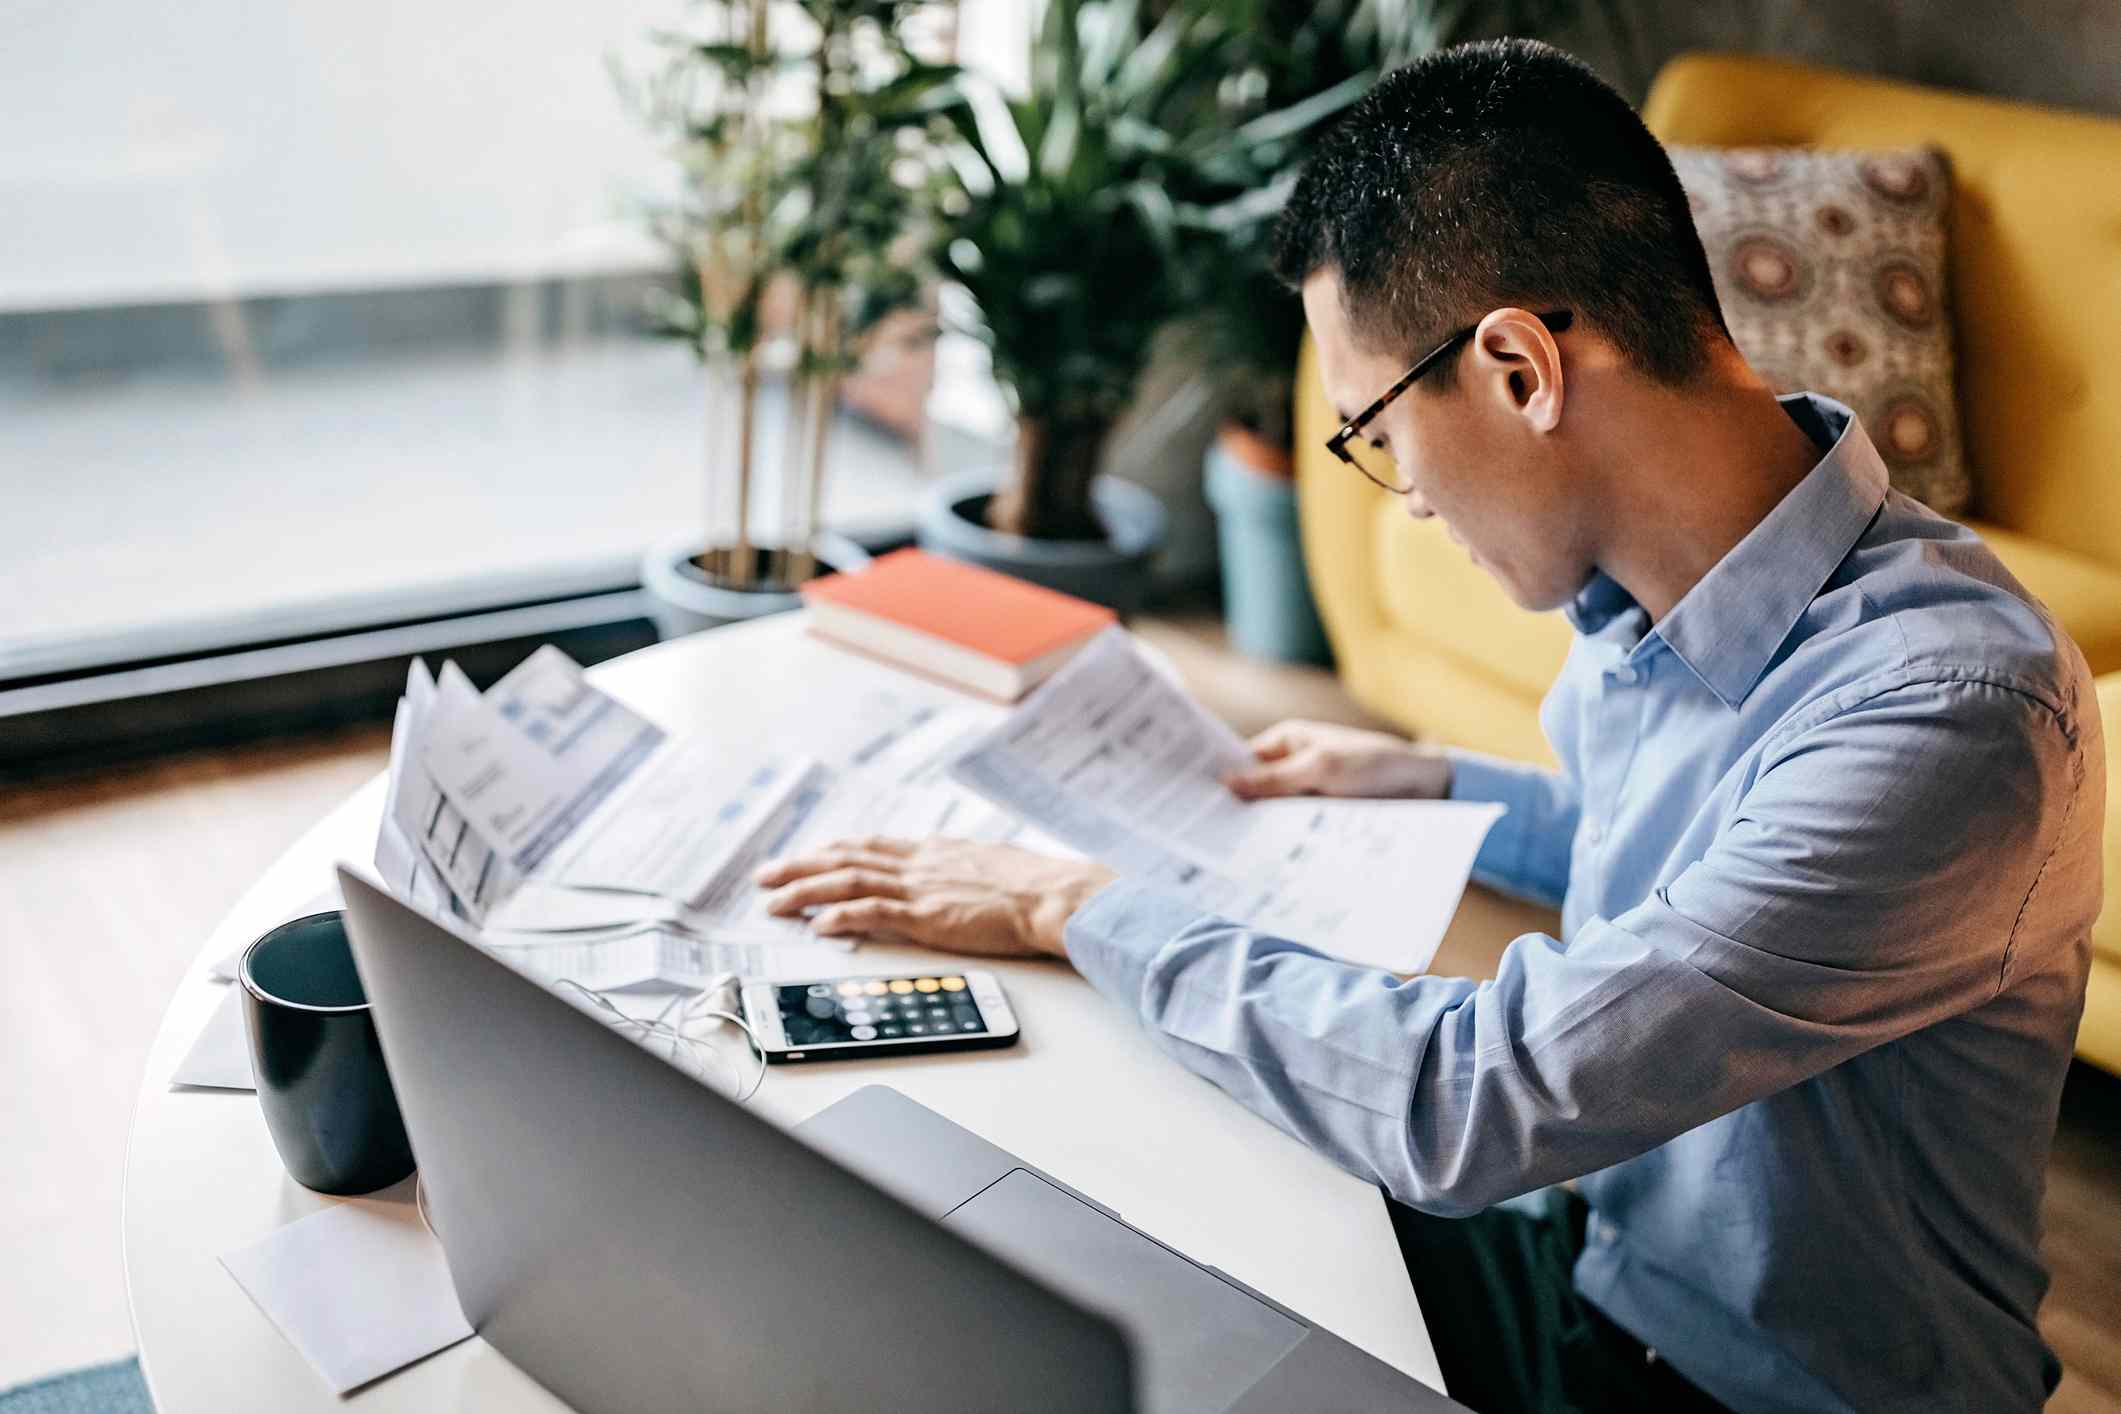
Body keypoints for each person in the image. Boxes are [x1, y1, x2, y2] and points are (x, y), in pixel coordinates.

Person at [753, 38, 2102, 1414]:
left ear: (1519, 367)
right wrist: (1422, 779)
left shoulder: (1946, 715)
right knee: (1144, 1237)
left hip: (1752, 1391)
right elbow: (1693, 860)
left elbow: (1477, 1099)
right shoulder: (1660, 596)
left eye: (1373, 431)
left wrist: (1077, 905)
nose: (1397, 493)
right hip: (1604, 1275)